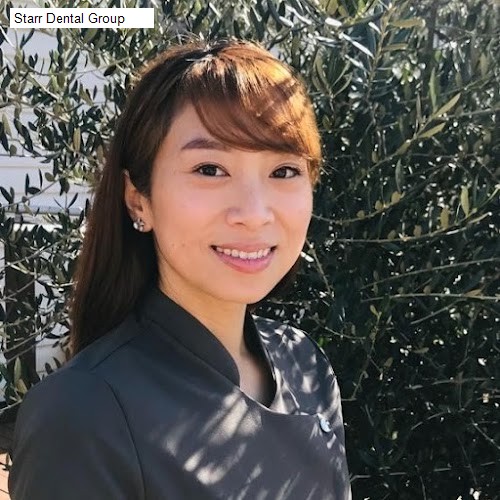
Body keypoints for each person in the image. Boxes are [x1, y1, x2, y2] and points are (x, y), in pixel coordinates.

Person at [8, 39, 352, 499]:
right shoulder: (83, 412)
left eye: (284, 171)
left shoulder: (304, 363)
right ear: (138, 200)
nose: (254, 213)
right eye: (210, 169)